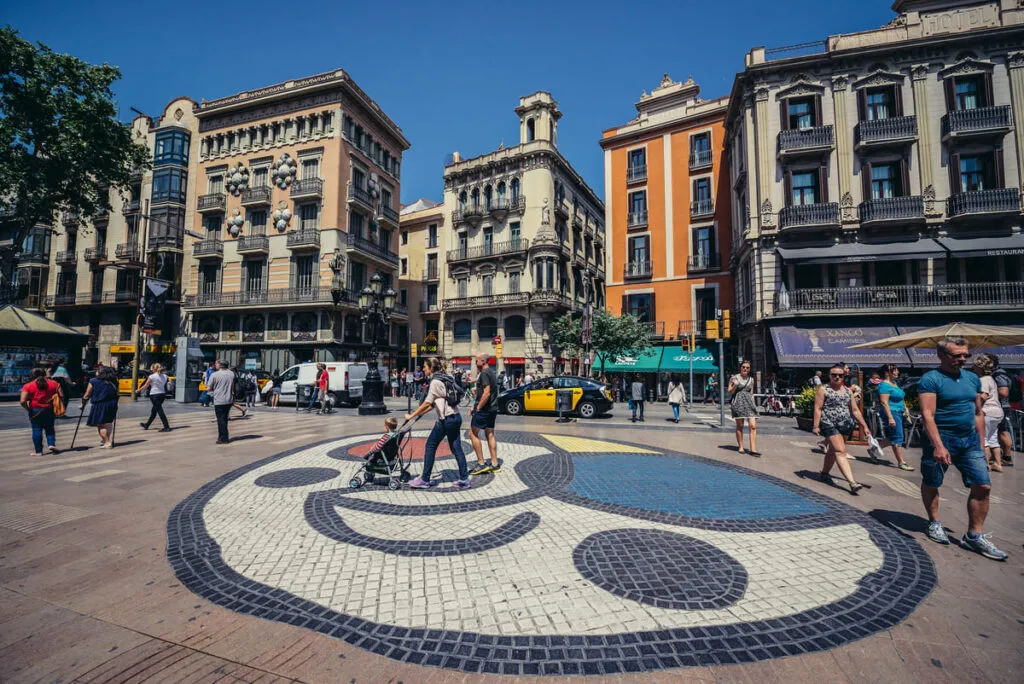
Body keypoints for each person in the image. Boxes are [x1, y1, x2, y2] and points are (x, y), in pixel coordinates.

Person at [918, 337, 1007, 560]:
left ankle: (974, 536)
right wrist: (938, 445)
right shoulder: (931, 379)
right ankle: (934, 522)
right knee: (932, 482)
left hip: (969, 441)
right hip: (941, 438)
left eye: (965, 355)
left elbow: (978, 412)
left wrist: (981, 443)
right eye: (957, 355)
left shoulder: (971, 378)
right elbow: (927, 414)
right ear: (941, 356)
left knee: (983, 486)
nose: (963, 359)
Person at [405, 357, 470, 489]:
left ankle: (424, 479)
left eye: (425, 367)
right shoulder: (445, 377)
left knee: (430, 445)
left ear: (430, 368)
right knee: (456, 448)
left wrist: (412, 415)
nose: (423, 369)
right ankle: (464, 479)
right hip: (456, 417)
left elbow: (428, 402)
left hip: (446, 419)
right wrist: (420, 413)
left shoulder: (435, 381)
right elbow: (433, 404)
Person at [812, 363, 869, 494]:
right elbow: (818, 408)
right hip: (829, 423)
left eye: (840, 375)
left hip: (845, 424)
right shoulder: (823, 389)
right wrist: (816, 425)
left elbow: (855, 410)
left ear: (844, 376)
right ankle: (852, 483)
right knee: (840, 451)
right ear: (829, 376)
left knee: (833, 450)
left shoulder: (848, 391)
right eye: (834, 375)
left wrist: (864, 426)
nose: (837, 377)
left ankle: (824, 473)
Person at [876, 364, 913, 471]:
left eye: (897, 370)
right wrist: (890, 417)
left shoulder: (894, 383)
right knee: (898, 437)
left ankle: (874, 449)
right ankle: (902, 462)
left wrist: (905, 408)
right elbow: (884, 402)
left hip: (899, 412)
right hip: (892, 412)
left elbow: (900, 398)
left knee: (894, 437)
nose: (897, 372)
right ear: (887, 373)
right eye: (894, 370)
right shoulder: (884, 385)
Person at [469, 353, 501, 476]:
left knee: (472, 434)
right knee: (490, 434)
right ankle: (494, 464)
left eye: (476, 360)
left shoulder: (484, 373)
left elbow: (486, 393)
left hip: (485, 409)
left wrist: (477, 407)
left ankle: (481, 464)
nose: (475, 363)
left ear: (482, 361)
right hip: (492, 408)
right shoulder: (491, 372)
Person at [20, 367, 62, 456]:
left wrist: (28, 408)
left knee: (36, 429)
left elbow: (22, 401)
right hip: (49, 409)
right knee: (50, 428)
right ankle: (51, 444)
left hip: (35, 409)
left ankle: (38, 451)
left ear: (32, 375)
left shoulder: (28, 385)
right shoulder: (54, 383)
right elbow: (61, 395)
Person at [974, 353, 1004, 474]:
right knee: (993, 439)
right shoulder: (991, 379)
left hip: (987, 412)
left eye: (975, 365)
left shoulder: (983, 380)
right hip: (997, 412)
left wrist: (976, 408)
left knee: (984, 439)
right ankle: (998, 463)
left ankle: (985, 465)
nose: (973, 367)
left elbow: (983, 395)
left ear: (980, 367)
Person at [82, 366, 119, 448]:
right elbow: (116, 393)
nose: (96, 372)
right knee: (108, 423)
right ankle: (106, 439)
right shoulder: (114, 382)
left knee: (101, 424)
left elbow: (87, 394)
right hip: (112, 404)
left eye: (97, 371)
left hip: (100, 404)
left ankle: (107, 442)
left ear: (100, 372)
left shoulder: (93, 381)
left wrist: (83, 404)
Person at [729, 362, 759, 455]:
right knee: (740, 426)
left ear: (749, 369)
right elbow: (730, 391)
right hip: (738, 402)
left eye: (747, 367)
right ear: (740, 368)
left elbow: (751, 392)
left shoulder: (752, 379)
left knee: (753, 426)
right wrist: (735, 385)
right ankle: (741, 446)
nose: (745, 369)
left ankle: (753, 449)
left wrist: (754, 404)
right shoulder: (734, 378)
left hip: (749, 403)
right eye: (743, 367)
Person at [990, 356, 1015, 467]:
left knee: (1002, 431)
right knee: (1001, 431)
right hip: (1002, 406)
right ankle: (1005, 456)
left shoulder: (998, 374)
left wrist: (989, 392)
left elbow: (1003, 392)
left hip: (1000, 406)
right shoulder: (1000, 373)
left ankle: (1007, 456)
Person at [207, 360, 236, 444]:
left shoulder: (214, 375)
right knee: (225, 419)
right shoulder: (231, 374)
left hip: (219, 400)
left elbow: (209, 388)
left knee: (221, 420)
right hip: (229, 399)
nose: (215, 365)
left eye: (216, 363)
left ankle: (223, 438)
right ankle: (223, 436)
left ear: (220, 365)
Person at [137, 363, 172, 432]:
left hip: (154, 395)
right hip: (162, 395)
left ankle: (166, 426)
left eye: (152, 368)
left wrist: (138, 390)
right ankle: (147, 425)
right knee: (154, 411)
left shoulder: (152, 376)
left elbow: (146, 385)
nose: (151, 369)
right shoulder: (165, 376)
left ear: (154, 369)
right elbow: (169, 383)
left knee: (160, 411)